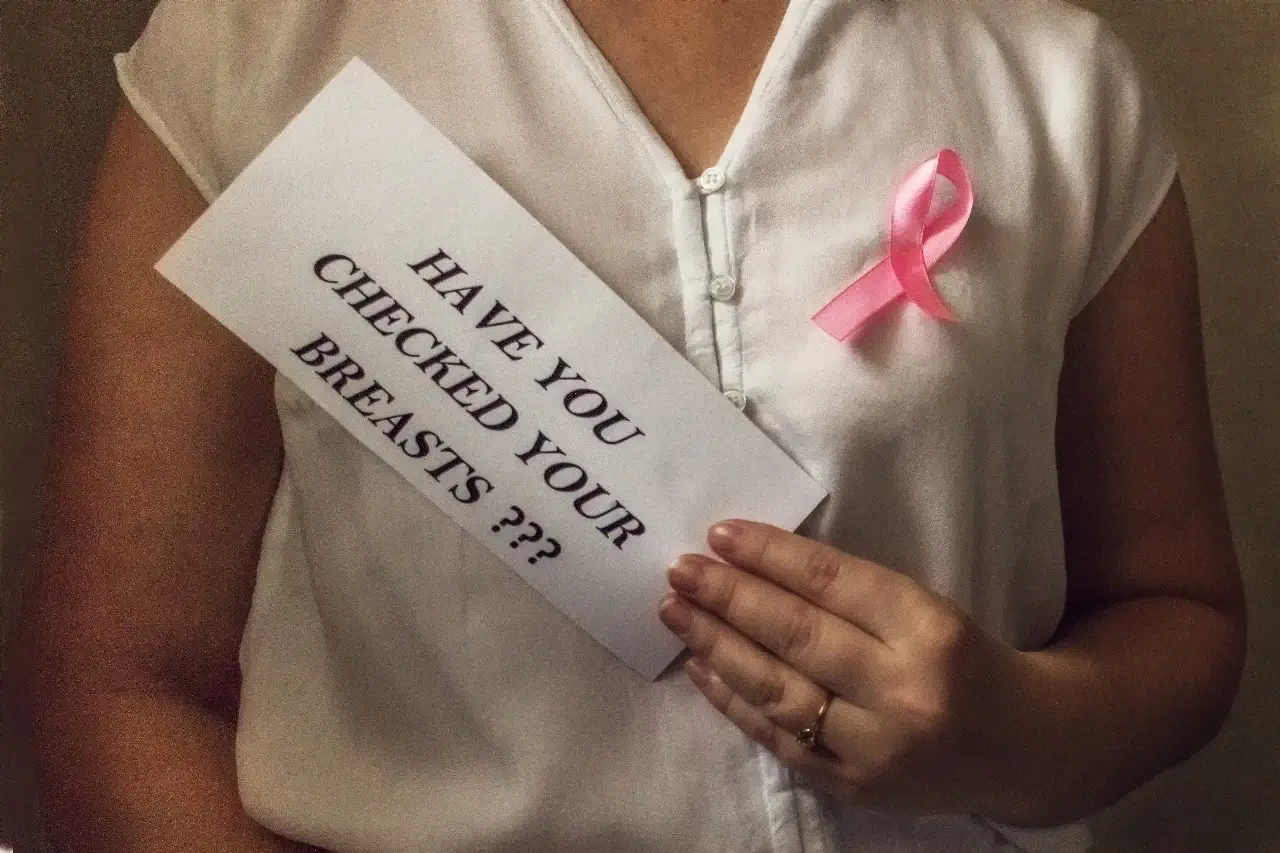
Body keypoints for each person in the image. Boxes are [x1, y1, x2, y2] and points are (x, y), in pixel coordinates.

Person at [22, 1, 1245, 852]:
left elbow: (1177, 613)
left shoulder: (1055, 85)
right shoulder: (254, 50)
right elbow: (122, 681)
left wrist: (1014, 732)